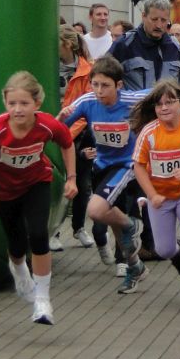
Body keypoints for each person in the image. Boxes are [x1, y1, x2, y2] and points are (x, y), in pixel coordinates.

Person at [0, 72, 77, 323]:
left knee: (39, 235)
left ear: (36, 104)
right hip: (4, 191)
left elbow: (66, 141)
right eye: (12, 104)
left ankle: (42, 300)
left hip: (35, 183)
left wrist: (71, 178)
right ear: (5, 103)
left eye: (24, 104)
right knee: (17, 244)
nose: (18, 110)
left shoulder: (46, 124)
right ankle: (18, 269)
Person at [59, 56, 149, 293]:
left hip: (127, 166)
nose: (99, 91)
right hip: (101, 166)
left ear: (119, 85)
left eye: (105, 85)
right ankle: (134, 267)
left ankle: (133, 224)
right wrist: (61, 115)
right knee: (116, 227)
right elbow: (59, 129)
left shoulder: (132, 99)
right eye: (95, 84)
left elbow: (166, 94)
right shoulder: (87, 101)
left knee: (95, 211)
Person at [131, 80, 180, 308]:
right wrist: (151, 194)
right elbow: (139, 166)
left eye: (169, 102)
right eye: (159, 104)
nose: (164, 108)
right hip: (160, 198)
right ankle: (176, 254)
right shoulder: (149, 133)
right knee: (162, 249)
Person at [58, 25, 113, 260]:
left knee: (81, 183)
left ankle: (79, 228)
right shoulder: (50, 66)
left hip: (77, 133)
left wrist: (68, 131)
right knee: (59, 182)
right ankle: (55, 230)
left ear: (68, 44)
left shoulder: (87, 71)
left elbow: (87, 106)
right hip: (56, 128)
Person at [108, 0, 180, 91]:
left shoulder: (174, 47)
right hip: (134, 106)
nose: (159, 25)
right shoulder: (125, 45)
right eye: (154, 19)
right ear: (143, 16)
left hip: (165, 105)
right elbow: (104, 77)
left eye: (163, 20)